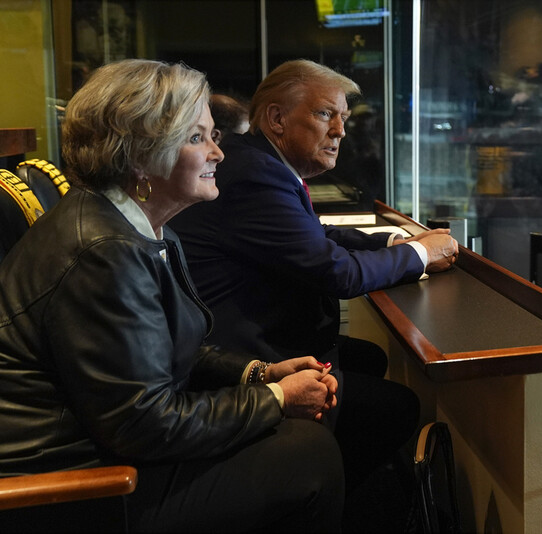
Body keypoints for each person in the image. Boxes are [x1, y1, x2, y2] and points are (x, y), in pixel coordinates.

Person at [0, 59, 344, 533]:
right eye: (197, 138)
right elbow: (144, 424)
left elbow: (167, 346)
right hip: (63, 490)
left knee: (300, 439)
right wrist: (275, 397)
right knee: (307, 456)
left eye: (213, 135)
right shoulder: (104, 252)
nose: (219, 153)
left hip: (102, 451)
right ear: (140, 156)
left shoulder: (139, 223)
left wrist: (259, 373)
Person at [168, 58, 454, 503]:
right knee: (396, 408)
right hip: (239, 353)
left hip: (258, 332)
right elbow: (336, 272)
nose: (340, 130)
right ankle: (325, 497)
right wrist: (418, 253)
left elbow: (314, 235)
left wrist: (396, 239)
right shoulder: (253, 173)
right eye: (326, 114)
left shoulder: (262, 164)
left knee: (367, 357)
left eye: (344, 117)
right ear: (277, 119)